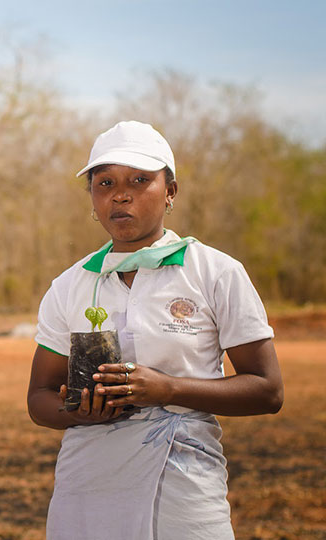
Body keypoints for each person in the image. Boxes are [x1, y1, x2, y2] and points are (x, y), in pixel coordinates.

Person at [26, 120, 285, 539]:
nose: (120, 194)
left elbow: (268, 390)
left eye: (140, 180)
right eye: (104, 182)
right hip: (88, 485)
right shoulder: (71, 285)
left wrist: (169, 390)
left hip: (184, 485)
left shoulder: (214, 272)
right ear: (92, 197)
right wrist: (81, 412)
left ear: (170, 192)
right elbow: (39, 398)